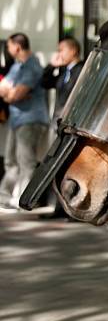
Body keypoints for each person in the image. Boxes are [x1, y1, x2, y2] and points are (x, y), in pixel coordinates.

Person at [0, 33, 49, 209]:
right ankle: (5, 198)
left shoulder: (32, 66)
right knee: (10, 160)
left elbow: (14, 94)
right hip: (17, 119)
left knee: (25, 161)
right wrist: (12, 95)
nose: (7, 49)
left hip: (30, 120)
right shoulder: (17, 67)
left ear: (17, 47)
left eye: (9, 46)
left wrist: (13, 94)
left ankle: (23, 200)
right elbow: (3, 90)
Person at [38, 37, 84, 218]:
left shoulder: (81, 70)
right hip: (57, 125)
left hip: (71, 126)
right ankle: (59, 208)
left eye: (62, 50)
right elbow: (44, 83)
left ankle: (71, 209)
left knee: (69, 166)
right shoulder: (63, 70)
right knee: (56, 166)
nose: (59, 54)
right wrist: (51, 66)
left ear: (73, 51)